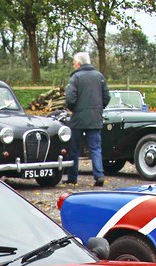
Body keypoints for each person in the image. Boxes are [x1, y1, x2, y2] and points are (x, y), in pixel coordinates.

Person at [64, 51, 111, 187]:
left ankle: (72, 177)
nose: (73, 65)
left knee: (74, 149)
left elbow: (70, 98)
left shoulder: (76, 77)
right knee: (95, 148)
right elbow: (106, 96)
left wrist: (73, 109)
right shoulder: (99, 76)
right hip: (95, 117)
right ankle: (99, 175)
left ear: (79, 63)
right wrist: (99, 108)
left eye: (74, 63)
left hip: (78, 118)